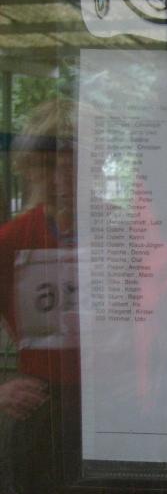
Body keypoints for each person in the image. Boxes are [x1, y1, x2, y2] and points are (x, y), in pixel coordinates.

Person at [0, 98, 81, 493]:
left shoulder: (123, 234)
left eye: (75, 164)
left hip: (112, 405)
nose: (63, 179)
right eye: (49, 165)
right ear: (29, 167)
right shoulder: (11, 240)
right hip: (40, 408)